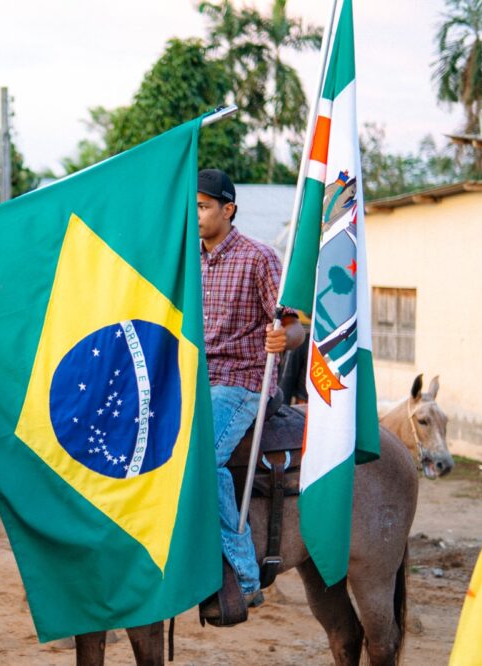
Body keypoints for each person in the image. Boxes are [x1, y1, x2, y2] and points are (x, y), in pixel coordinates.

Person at [197, 168, 305, 616]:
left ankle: (243, 578)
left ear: (229, 209)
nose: (195, 214)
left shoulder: (259, 258)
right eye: (192, 206)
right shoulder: (185, 260)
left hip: (242, 381)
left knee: (203, 460)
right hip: (196, 380)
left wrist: (285, 338)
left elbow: (294, 325)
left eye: (203, 206)